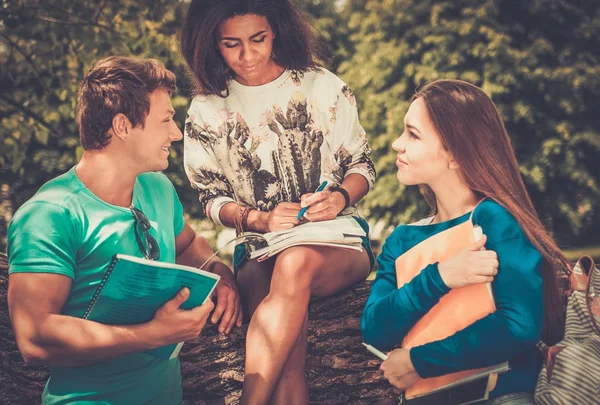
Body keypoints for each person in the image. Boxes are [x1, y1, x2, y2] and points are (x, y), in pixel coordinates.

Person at [7, 56, 242, 405]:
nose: (175, 134)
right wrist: (151, 335)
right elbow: (33, 338)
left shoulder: (157, 189)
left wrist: (221, 274)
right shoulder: (49, 215)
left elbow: (189, 244)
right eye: (165, 120)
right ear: (122, 125)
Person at [179, 1, 376, 403]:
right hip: (258, 250)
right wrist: (259, 219)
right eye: (231, 44)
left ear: (277, 32)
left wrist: (338, 198)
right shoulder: (205, 110)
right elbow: (211, 199)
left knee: (295, 261)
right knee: (286, 363)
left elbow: (362, 166)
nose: (247, 56)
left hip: (336, 243)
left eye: (258, 40)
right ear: (210, 44)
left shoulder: (321, 86)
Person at [361, 79, 569, 404]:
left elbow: (519, 325)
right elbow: (374, 328)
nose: (396, 144)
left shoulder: (494, 218)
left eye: (413, 134)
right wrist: (440, 276)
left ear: (455, 155)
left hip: (502, 395)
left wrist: (419, 361)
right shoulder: (400, 240)